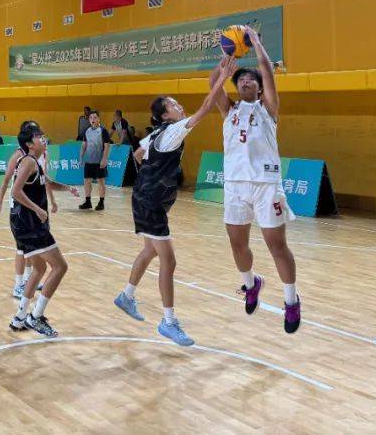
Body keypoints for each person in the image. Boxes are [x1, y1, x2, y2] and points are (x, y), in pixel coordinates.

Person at [113, 57, 238, 346]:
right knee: (168, 260)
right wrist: (223, 78)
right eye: (173, 104)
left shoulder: (155, 134)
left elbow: (138, 155)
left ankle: (127, 296)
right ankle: (168, 322)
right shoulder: (172, 130)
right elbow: (206, 108)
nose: (179, 105)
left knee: (150, 250)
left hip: (145, 197)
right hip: (151, 202)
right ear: (165, 114)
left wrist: (153, 173)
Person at [208, 26, 301, 333]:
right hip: (235, 185)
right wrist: (227, 55)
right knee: (237, 244)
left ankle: (291, 301)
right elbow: (212, 82)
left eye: (251, 79)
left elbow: (267, 71)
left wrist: (257, 42)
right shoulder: (229, 109)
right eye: (241, 79)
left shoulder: (268, 109)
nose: (245, 81)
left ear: (260, 88)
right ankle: (250, 284)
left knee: (277, 245)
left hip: (266, 185)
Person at [8, 122, 78, 338]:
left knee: (39, 269)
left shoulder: (35, 162)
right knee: (60, 267)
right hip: (30, 224)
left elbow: (45, 182)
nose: (44, 138)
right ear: (30, 144)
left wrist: (67, 188)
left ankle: (20, 317)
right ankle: (35, 316)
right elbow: (15, 191)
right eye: (39, 136)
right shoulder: (28, 161)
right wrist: (38, 209)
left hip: (24, 223)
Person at [0, 122, 62, 300]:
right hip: (20, 208)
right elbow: (7, 182)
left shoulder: (43, 154)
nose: (41, 137)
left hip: (36, 206)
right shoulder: (19, 155)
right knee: (21, 249)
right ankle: (18, 285)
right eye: (36, 134)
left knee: (34, 249)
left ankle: (29, 280)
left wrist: (52, 200)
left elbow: (44, 181)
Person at [77, 110, 112, 211]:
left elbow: (107, 146)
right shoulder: (87, 131)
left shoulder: (103, 131)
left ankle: (101, 203)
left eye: (95, 117)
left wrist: (104, 159)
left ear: (99, 119)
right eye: (91, 118)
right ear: (89, 119)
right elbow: (84, 145)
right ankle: (88, 202)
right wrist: (81, 157)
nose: (93, 119)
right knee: (87, 181)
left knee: (101, 181)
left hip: (99, 161)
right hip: (89, 161)